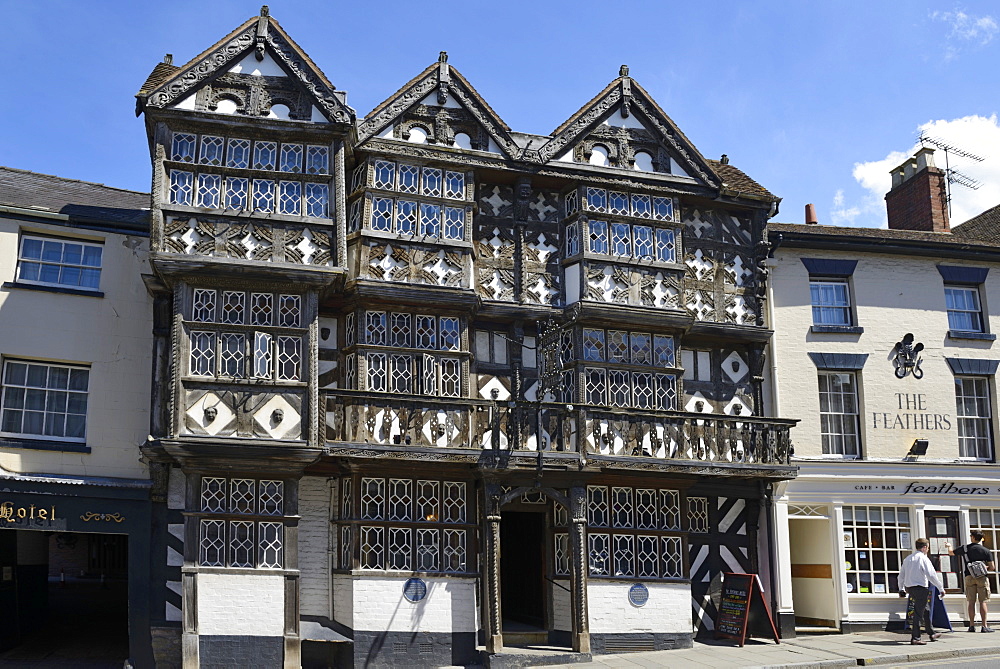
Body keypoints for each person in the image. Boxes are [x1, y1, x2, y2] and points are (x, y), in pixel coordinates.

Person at [946, 531, 996, 633]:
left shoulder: (965, 548)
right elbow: (992, 567)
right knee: (983, 602)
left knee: (971, 602)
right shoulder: (986, 551)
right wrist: (982, 568)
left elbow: (951, 553)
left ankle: (971, 626)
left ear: (972, 537)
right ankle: (984, 626)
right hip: (981, 577)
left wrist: (949, 546)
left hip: (969, 576)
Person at [899, 538, 944, 645]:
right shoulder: (923, 558)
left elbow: (901, 576)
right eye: (927, 547)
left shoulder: (908, 559)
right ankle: (916, 638)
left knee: (926, 610)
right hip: (921, 589)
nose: (927, 550)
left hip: (911, 589)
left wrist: (901, 588)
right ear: (924, 547)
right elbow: (931, 575)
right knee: (918, 613)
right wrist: (941, 588)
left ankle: (931, 632)